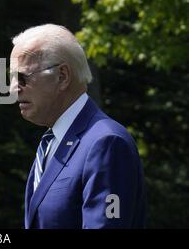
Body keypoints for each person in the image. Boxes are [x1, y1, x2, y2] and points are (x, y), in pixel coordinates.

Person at [10, 24, 145, 229]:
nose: (13, 89)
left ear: (62, 76)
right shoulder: (51, 142)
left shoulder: (106, 143)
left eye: (23, 77)